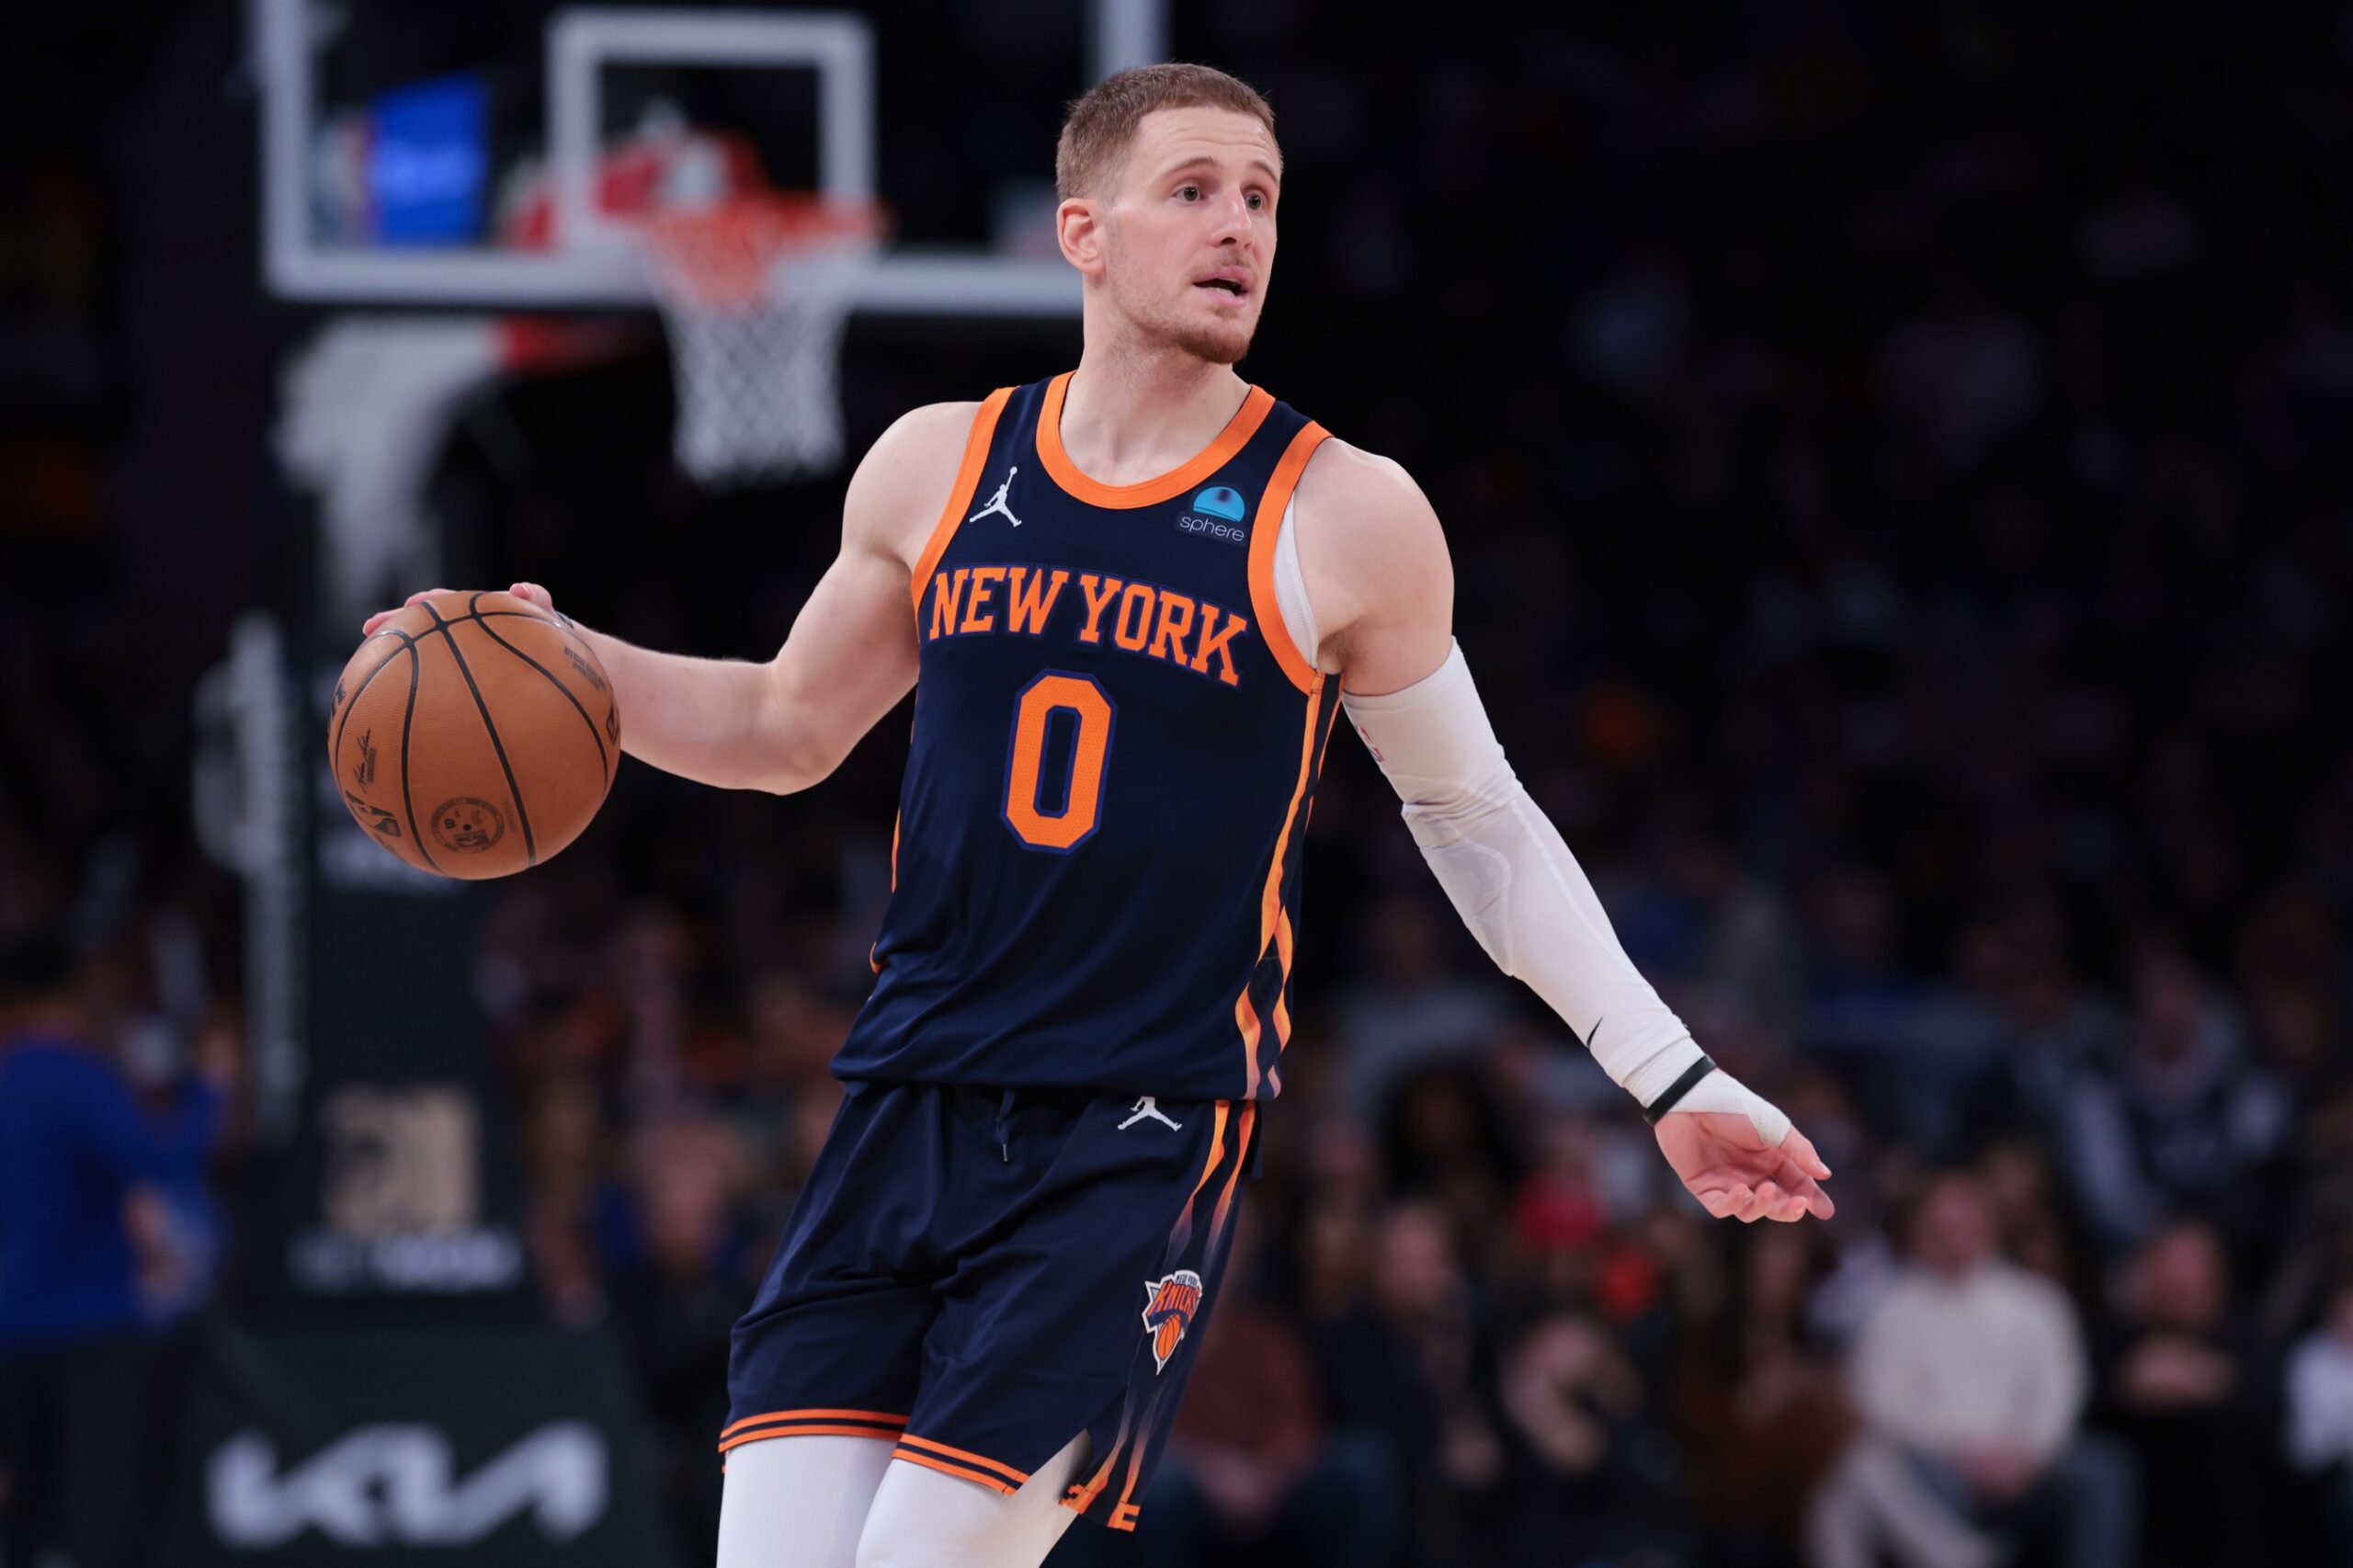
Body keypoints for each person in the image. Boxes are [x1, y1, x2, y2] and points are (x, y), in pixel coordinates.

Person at [369, 61, 1836, 1568]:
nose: (1237, 228)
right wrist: (573, 664)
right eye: (1193, 191)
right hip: (906, 1101)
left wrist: (1669, 1076)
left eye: (1261, 199)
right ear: (1086, 231)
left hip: (1131, 1137)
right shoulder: (939, 463)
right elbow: (784, 727)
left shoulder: (1344, 513)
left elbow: (1475, 814)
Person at [0, 933, 229, 1568]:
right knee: (102, 1507)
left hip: (15, 1324)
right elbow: (161, 1157)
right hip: (93, 1325)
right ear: (72, 992)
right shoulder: (69, 1075)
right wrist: (212, 1088)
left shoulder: (11, 1074)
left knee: (28, 1510)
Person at [1807, 1170, 2135, 1568]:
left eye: (1965, 1225)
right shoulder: (1890, 1311)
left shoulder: (2038, 1302)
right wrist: (1964, 1452)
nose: (1954, 1239)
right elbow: (1881, 1405)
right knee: (1866, 1466)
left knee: (2103, 1469)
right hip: (1941, 1466)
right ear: (1918, 1231)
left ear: (1989, 1226)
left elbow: (2060, 1388)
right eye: (1941, 1228)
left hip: (2029, 1464)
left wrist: (2028, 1452)